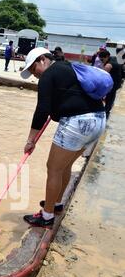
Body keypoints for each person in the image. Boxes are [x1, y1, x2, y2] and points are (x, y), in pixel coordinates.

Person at [21, 48, 106, 228]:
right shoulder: (69, 68)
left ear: (42, 60)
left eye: (33, 70)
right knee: (64, 166)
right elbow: (62, 107)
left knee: (53, 168)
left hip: (78, 122)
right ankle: (56, 203)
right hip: (98, 120)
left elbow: (42, 110)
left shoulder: (48, 75)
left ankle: (46, 216)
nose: (34, 76)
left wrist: (30, 140)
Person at [98, 49, 123, 118]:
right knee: (111, 97)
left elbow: (102, 76)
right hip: (117, 82)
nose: (101, 61)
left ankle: (106, 112)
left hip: (113, 83)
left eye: (102, 60)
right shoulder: (114, 58)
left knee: (109, 98)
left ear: (107, 57)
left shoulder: (108, 65)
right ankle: (106, 111)